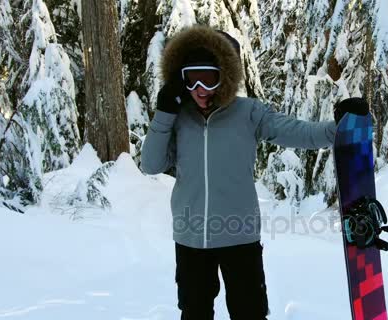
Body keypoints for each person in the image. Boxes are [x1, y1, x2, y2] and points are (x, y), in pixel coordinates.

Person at [140, 25, 369, 320]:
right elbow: (150, 164)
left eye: (208, 78)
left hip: (240, 237)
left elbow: (295, 131)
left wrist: (337, 129)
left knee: (249, 313)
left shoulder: (247, 113)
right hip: (190, 238)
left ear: (224, 77)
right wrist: (164, 114)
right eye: (191, 78)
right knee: (194, 313)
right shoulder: (179, 118)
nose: (199, 88)